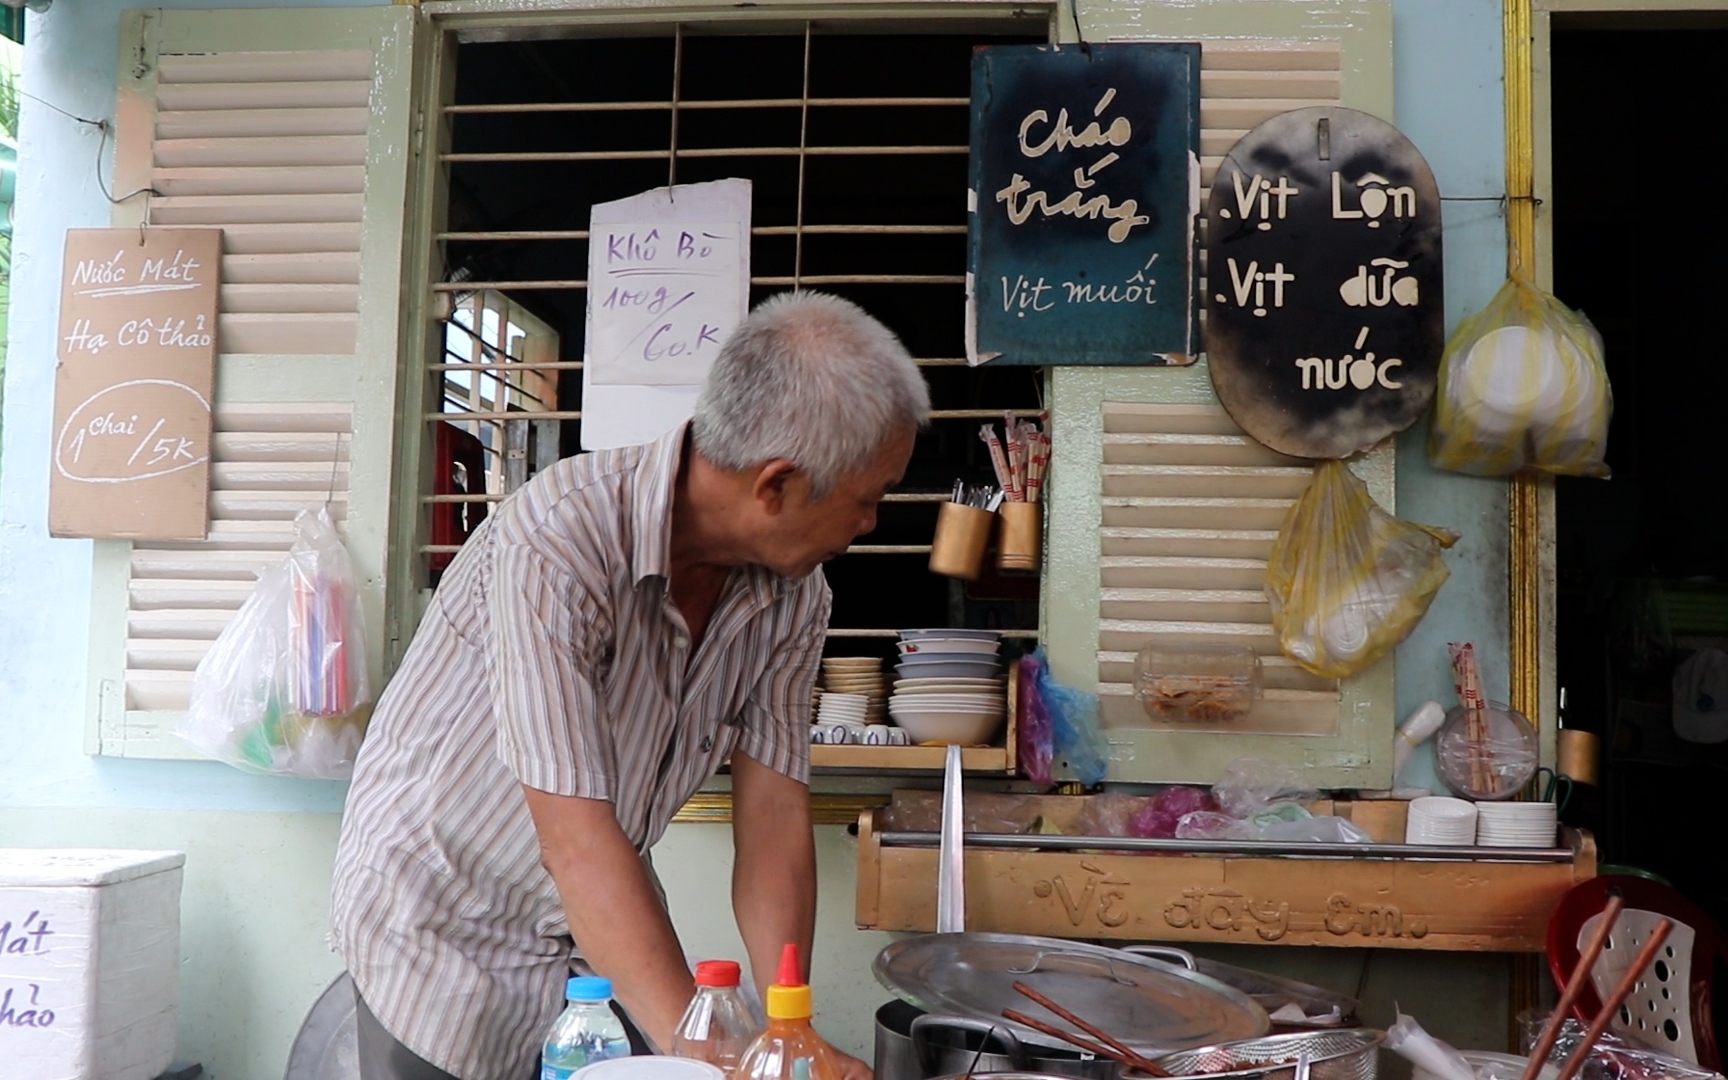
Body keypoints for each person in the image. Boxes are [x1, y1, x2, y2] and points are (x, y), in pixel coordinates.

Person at [330, 291, 929, 1080]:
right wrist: (703, 1051)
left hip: (590, 937)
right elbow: (574, 842)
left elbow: (775, 812)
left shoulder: (795, 594)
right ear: (776, 486)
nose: (871, 524)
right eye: (867, 499)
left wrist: (790, 1028)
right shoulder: (560, 540)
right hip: (438, 922)